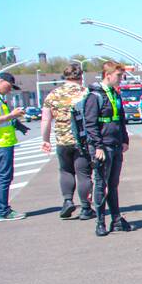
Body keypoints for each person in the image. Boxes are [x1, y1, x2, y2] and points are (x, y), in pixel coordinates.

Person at [84, 61, 132, 236]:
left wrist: (124, 139)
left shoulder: (114, 94)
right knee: (101, 184)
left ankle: (116, 219)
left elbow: (120, 118)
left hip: (116, 144)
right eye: (119, 76)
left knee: (113, 184)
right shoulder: (94, 96)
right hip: (102, 147)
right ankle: (100, 222)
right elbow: (90, 123)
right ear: (108, 75)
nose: (121, 79)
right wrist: (98, 145)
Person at [40, 62, 94, 220]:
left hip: (62, 140)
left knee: (66, 170)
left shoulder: (53, 95)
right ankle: (85, 207)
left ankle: (68, 200)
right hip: (82, 141)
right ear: (81, 76)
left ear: (65, 76)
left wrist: (45, 140)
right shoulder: (86, 93)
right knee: (83, 173)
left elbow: (45, 120)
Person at [0, 71, 27, 221]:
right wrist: (12, 115)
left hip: (2, 142)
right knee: (3, 177)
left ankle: (1, 209)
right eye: (9, 86)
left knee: (2, 176)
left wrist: (17, 124)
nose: (10, 90)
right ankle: (2, 211)